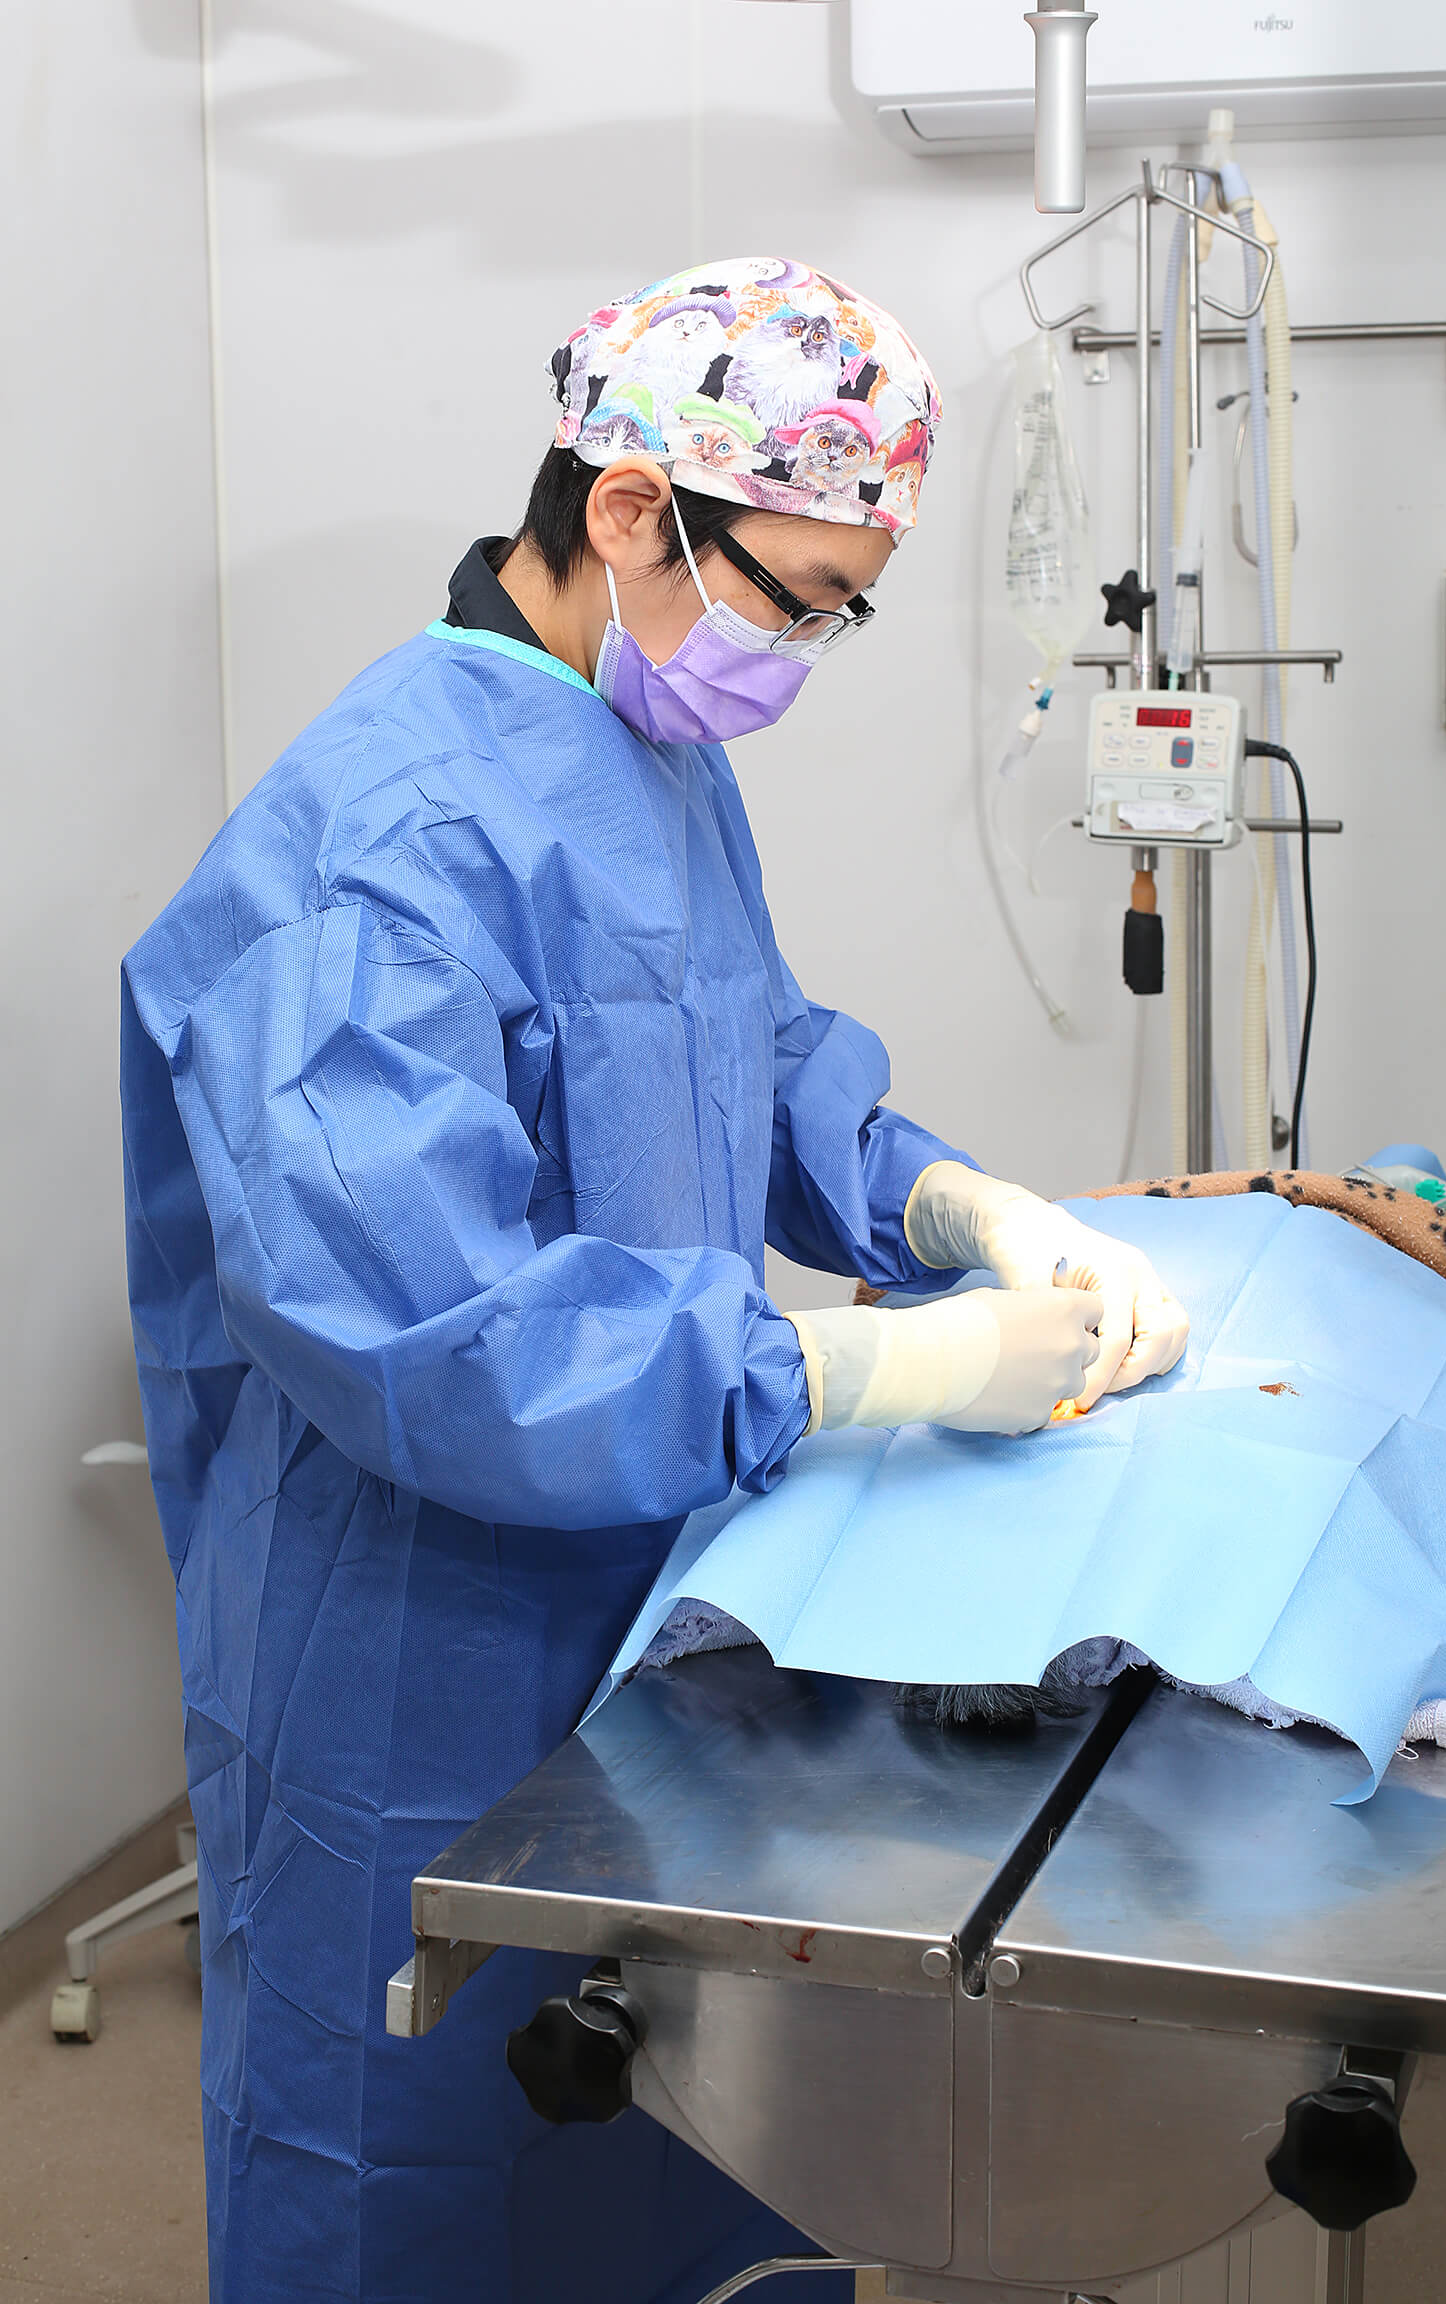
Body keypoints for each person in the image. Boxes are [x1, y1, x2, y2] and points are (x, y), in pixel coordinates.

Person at [121, 258, 1188, 2304]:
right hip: (410, 1656)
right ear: (629, 510)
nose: (805, 650)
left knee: (683, 2126)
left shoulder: (647, 755)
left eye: (843, 605)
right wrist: (875, 1373)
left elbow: (747, 1049)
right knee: (409, 2166)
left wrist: (949, 1205)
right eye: (796, 595)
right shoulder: (377, 847)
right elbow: (432, 1333)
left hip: (649, 1605)